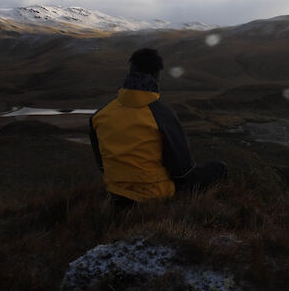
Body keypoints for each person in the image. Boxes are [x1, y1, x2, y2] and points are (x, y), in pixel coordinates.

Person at [89, 48, 226, 208]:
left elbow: (101, 165)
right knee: (219, 169)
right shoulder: (161, 114)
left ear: (130, 72)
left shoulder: (100, 115)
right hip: (155, 194)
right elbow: (182, 171)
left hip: (116, 193)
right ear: (156, 76)